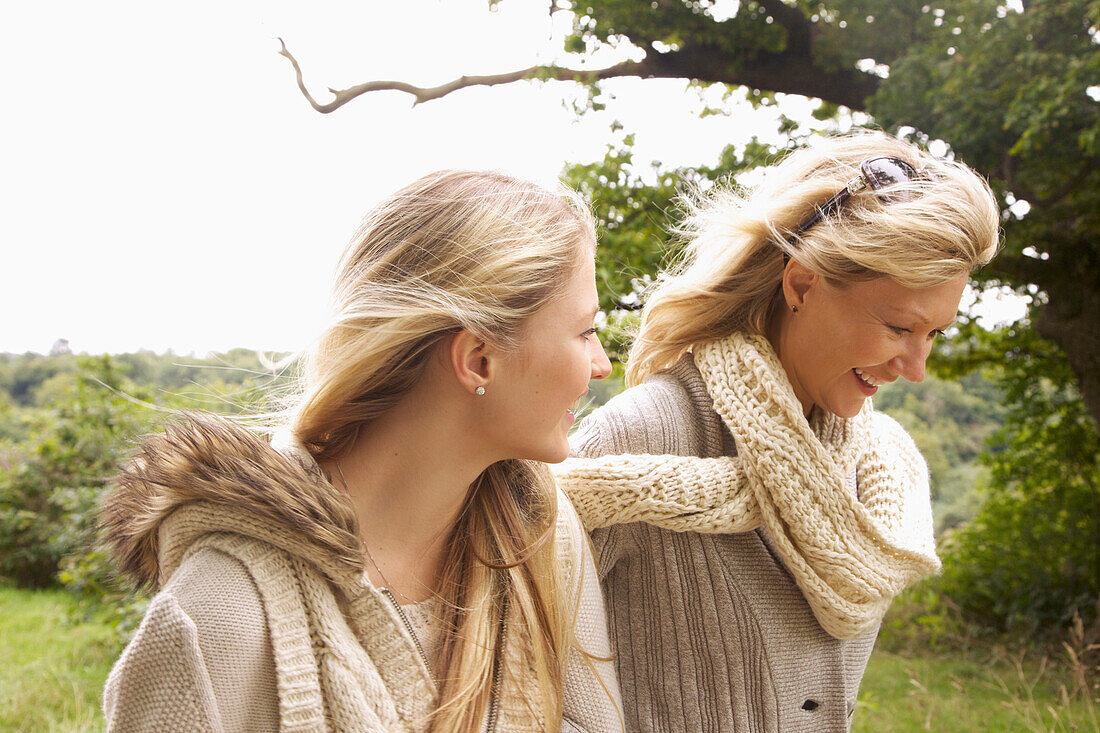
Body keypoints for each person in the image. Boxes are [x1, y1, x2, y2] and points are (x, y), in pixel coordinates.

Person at [100, 170, 624, 732]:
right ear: (479, 361)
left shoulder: (543, 536)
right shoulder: (218, 618)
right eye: (584, 331)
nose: (602, 366)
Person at [552, 131, 1001, 732]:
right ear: (802, 284)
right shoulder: (645, 434)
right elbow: (513, 659)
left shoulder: (883, 463)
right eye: (898, 327)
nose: (916, 369)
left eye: (935, 334)